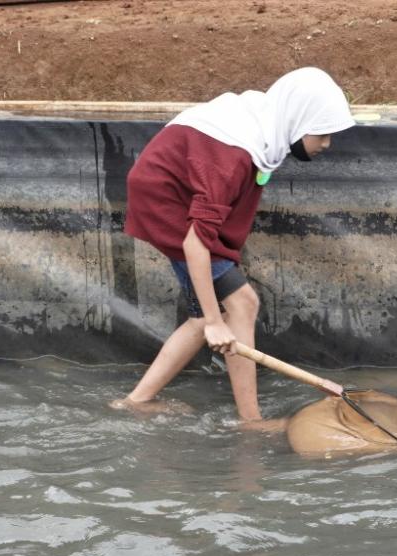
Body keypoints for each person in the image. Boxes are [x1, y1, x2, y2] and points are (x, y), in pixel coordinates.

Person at [109, 67, 356, 426]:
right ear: (300, 120)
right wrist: (214, 320)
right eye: (323, 133)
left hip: (172, 193)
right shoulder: (233, 156)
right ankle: (251, 422)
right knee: (240, 304)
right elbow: (196, 241)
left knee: (205, 318)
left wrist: (208, 320)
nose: (326, 143)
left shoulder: (263, 125)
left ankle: (135, 402)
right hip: (166, 204)